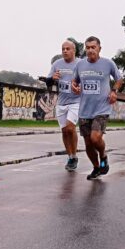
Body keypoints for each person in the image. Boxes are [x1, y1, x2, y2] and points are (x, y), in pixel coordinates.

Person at [72, 36, 123, 180]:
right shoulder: (80, 65)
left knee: (95, 138)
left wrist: (114, 91)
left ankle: (103, 156)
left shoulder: (108, 64)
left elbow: (119, 79)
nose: (90, 50)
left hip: (102, 108)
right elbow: (74, 81)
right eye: (87, 48)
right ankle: (96, 167)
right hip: (84, 110)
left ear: (99, 48)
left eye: (93, 47)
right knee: (88, 143)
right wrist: (74, 87)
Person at [46, 40, 81, 171]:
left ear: (74, 51)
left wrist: (80, 87)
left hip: (76, 102)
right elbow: (48, 82)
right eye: (63, 49)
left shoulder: (80, 64)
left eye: (68, 49)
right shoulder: (57, 64)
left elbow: (87, 81)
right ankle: (71, 156)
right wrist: (52, 78)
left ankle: (75, 155)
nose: (65, 51)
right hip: (61, 102)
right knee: (64, 131)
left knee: (70, 128)